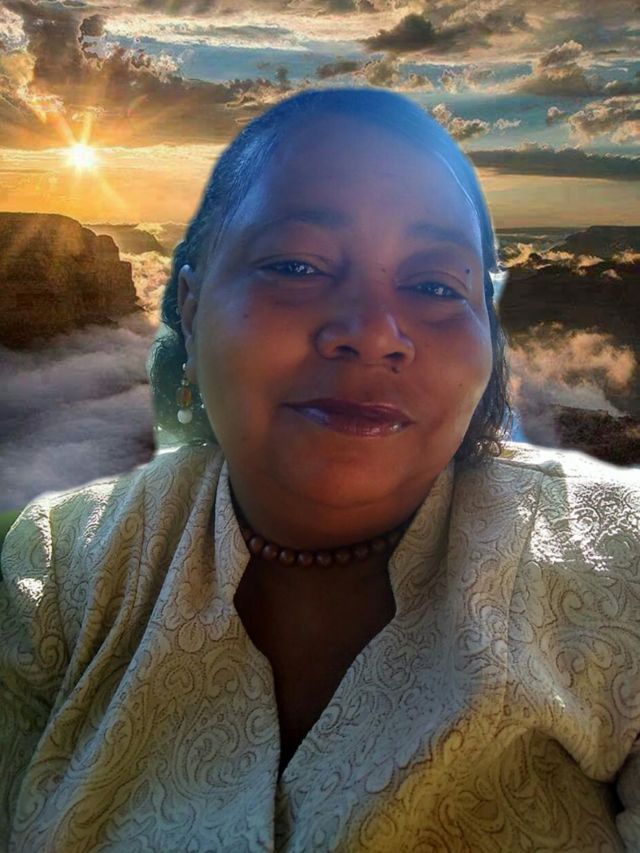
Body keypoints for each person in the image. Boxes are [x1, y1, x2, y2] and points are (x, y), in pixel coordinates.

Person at [1, 86, 639, 852]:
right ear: (191, 307)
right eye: (297, 264)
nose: (373, 332)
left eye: (436, 285)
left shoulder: (617, 565)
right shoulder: (58, 575)